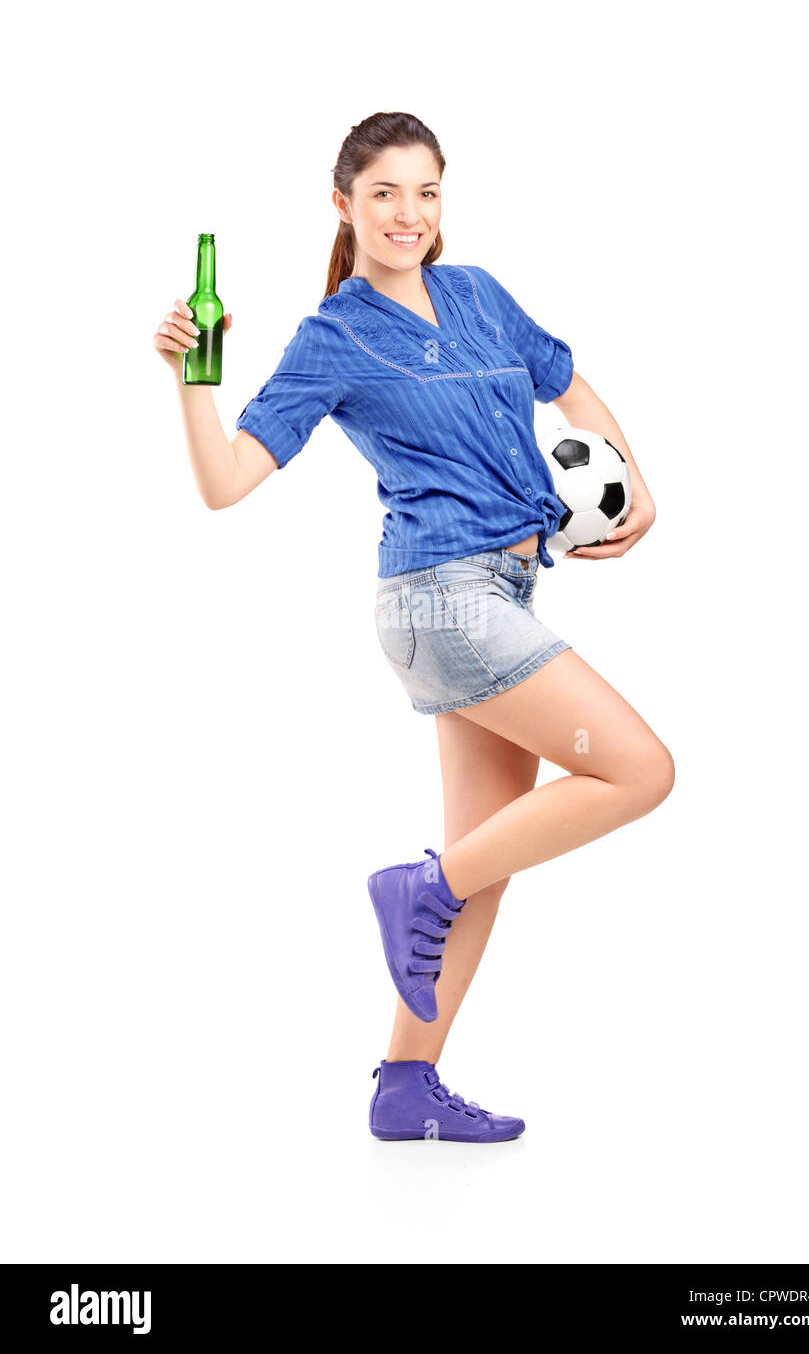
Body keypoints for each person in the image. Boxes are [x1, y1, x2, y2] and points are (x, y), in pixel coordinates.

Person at [154, 110, 674, 1145]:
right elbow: (226, 484)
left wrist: (635, 484)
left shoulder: (476, 294)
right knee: (638, 771)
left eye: (425, 191)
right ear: (342, 203)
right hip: (440, 601)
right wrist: (191, 379)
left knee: (485, 853)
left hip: (506, 592)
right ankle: (416, 887)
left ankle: (403, 1079)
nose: (408, 214)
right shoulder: (332, 336)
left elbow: (568, 385)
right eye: (384, 192)